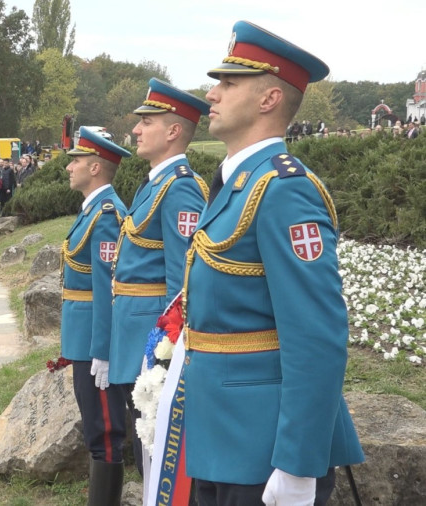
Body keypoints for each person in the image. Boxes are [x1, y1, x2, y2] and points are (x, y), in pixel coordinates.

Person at [183, 21, 364, 505]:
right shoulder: (237, 183)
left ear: (268, 100)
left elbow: (317, 335)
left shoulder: (284, 190)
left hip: (263, 448)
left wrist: (299, 464)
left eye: (227, 83)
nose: (211, 94)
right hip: (219, 435)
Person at [109, 78, 210, 476]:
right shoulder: (154, 184)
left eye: (146, 122)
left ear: (172, 131)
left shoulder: (180, 189)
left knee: (158, 458)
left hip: (153, 342)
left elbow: (182, 283)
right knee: (146, 453)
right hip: (133, 334)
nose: (135, 129)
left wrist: (168, 355)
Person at [60, 127, 130, 504]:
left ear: (96, 166)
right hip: (81, 336)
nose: (69, 167)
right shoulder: (91, 210)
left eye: (76, 160)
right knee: (94, 431)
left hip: (93, 342)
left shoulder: (106, 214)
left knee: (104, 433)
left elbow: (107, 287)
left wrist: (103, 349)